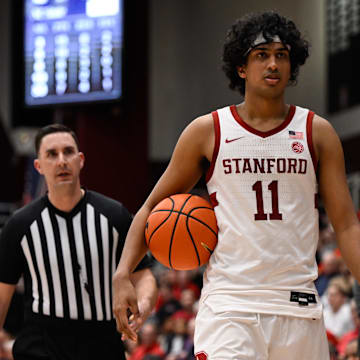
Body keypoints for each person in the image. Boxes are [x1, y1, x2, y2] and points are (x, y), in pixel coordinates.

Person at [112, 11, 360, 359]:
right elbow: (152, 207)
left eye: (282, 55)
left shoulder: (316, 132)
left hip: (299, 305)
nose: (273, 64)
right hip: (231, 304)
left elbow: (346, 224)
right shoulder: (207, 131)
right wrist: (123, 273)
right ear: (241, 68)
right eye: (262, 55)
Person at [0, 124, 157, 360]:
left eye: (68, 152)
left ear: (80, 159)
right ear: (38, 165)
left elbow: (143, 275)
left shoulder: (114, 215)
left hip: (102, 342)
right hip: (40, 344)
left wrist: (144, 304)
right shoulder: (19, 225)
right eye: (52, 154)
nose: (62, 160)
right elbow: (3, 292)